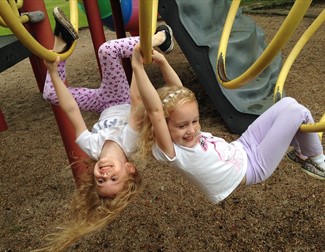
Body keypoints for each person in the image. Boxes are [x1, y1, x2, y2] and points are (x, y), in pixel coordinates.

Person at [37, 7, 176, 252]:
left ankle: (62, 42)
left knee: (50, 93)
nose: (105, 174)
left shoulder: (91, 147)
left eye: (100, 180)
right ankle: (161, 38)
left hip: (104, 102)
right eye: (114, 178)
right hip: (122, 98)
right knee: (106, 51)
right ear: (129, 168)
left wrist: (53, 74)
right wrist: (139, 63)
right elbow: (137, 101)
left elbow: (71, 111)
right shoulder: (129, 142)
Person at [131, 44, 325, 205]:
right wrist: (138, 69)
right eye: (182, 126)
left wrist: (164, 62)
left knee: (288, 103)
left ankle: (302, 153)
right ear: (163, 126)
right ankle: (318, 161)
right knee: (298, 112)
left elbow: (181, 91)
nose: (191, 130)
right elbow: (155, 110)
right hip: (253, 167)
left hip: (242, 146)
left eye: (195, 121)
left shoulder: (182, 129)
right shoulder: (172, 151)